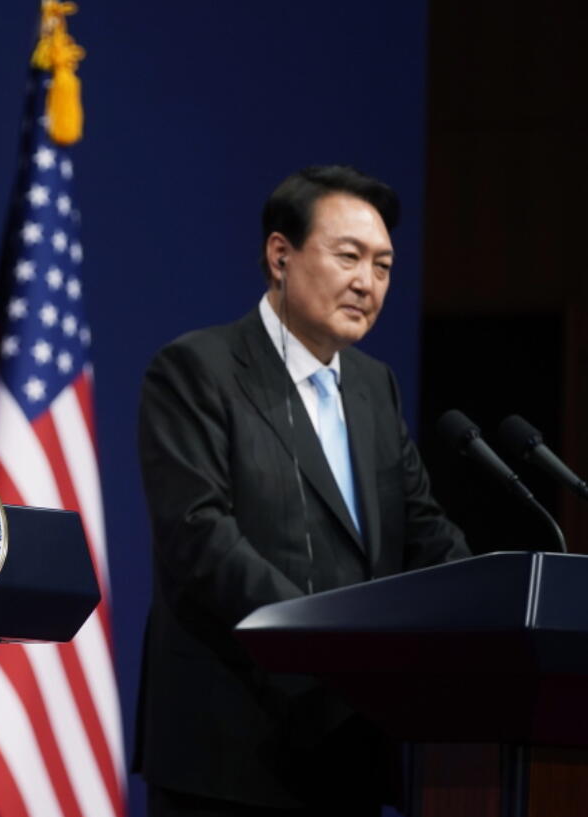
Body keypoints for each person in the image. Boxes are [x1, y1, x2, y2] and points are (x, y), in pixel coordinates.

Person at [133, 165, 470, 816]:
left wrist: (487, 610)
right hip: (229, 754)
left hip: (349, 754)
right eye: (349, 256)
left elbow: (427, 533)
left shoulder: (375, 388)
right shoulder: (195, 370)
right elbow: (201, 538)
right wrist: (330, 649)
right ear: (280, 255)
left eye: (384, 266)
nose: (367, 282)